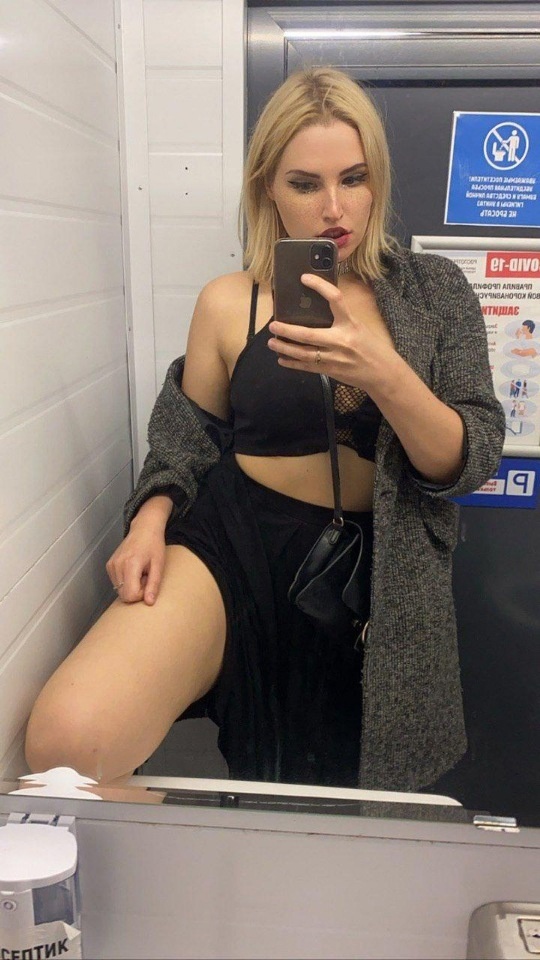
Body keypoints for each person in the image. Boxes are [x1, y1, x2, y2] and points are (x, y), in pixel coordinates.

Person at [25, 67, 504, 793]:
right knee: (66, 744)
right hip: (236, 541)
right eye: (305, 184)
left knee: (349, 795)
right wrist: (149, 518)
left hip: (382, 570)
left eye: (353, 178)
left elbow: (468, 460)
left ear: (376, 180)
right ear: (267, 191)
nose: (334, 208)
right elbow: (185, 438)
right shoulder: (228, 302)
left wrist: (382, 372)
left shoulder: (436, 293)